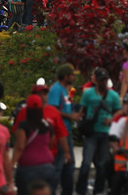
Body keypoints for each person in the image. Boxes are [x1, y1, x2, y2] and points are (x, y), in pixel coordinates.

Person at [76, 67, 122, 195]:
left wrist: (111, 119)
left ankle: (98, 190)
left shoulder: (113, 95)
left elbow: (119, 110)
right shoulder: (88, 93)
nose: (102, 82)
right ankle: (81, 189)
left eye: (105, 80)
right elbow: (83, 110)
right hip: (91, 132)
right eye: (100, 79)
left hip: (105, 132)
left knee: (102, 164)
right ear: (96, 80)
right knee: (86, 163)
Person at [12, 95, 59, 195]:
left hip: (28, 168)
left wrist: (12, 163)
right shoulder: (47, 125)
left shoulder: (24, 125)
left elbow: (20, 147)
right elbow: (51, 143)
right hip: (48, 167)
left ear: (27, 108)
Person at [48, 64, 80, 195]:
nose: (74, 77)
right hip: (60, 133)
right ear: (66, 76)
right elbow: (53, 110)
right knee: (59, 166)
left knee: (68, 166)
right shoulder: (56, 90)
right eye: (72, 74)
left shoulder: (64, 89)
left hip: (66, 131)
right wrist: (70, 116)